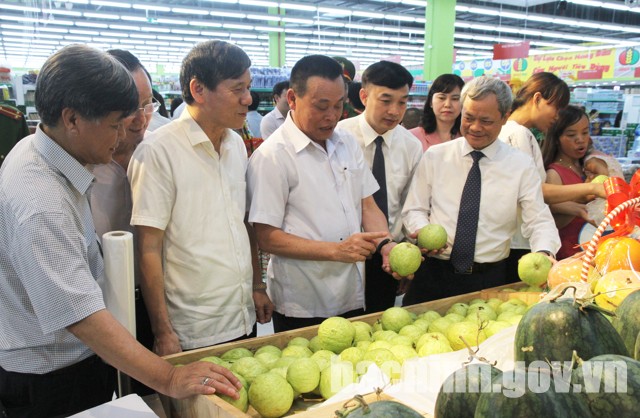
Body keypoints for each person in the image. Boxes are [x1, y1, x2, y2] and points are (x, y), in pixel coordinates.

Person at [0, 44, 240, 417]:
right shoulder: (40, 199)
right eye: (114, 124)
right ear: (72, 119)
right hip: (51, 375)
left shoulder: (43, 150)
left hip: (72, 361)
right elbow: (79, 314)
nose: (125, 134)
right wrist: (169, 378)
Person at [128, 40, 273, 356]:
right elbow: (149, 248)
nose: (248, 99)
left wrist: (257, 286)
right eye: (238, 89)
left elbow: (243, 223)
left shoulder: (236, 145)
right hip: (193, 329)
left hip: (241, 315)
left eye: (248, 88)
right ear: (198, 89)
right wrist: (163, 331)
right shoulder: (158, 152)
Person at [247, 55, 397, 332]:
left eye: (339, 105)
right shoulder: (273, 156)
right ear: (292, 98)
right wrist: (336, 251)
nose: (332, 116)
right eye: (321, 106)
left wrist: (385, 244)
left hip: (352, 292)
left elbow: (367, 205)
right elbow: (266, 237)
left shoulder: (347, 143)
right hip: (303, 302)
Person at [401, 76, 560, 305]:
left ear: (505, 117)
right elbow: (414, 209)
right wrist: (423, 232)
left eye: (485, 120)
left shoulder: (520, 165)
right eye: (468, 117)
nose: (475, 127)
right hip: (433, 274)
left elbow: (538, 218)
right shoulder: (436, 156)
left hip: (488, 279)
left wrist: (544, 251)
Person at [499, 73, 605, 281]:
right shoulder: (517, 133)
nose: (557, 116)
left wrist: (576, 208)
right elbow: (536, 192)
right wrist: (591, 189)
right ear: (537, 99)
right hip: (519, 242)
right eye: (556, 107)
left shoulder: (520, 133)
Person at [337, 60, 422, 314]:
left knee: (382, 326)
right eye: (386, 100)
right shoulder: (339, 138)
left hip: (390, 256)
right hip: (346, 254)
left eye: (402, 102)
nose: (395, 111)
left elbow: (410, 203)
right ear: (364, 96)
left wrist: (408, 255)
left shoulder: (411, 146)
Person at [542, 106, 594, 260]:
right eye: (571, 135)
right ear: (557, 139)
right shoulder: (554, 173)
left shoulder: (588, 166)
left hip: (590, 249)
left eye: (585, 132)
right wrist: (581, 202)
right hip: (568, 253)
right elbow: (553, 220)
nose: (580, 139)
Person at [409, 74, 464, 151]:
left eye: (455, 99)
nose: (447, 104)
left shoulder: (468, 139)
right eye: (441, 98)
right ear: (431, 102)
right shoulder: (411, 137)